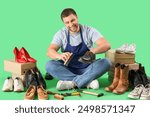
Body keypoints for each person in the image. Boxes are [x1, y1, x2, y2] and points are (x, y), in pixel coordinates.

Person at [45, 8, 112, 90]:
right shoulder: (61, 34)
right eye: (67, 22)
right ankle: (87, 82)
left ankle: (71, 83)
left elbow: (106, 45)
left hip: (88, 68)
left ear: (77, 17)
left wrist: (92, 51)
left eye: (72, 20)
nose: (71, 24)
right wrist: (59, 56)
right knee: (49, 65)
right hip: (68, 69)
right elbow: (49, 51)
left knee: (107, 62)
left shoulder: (89, 31)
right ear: (64, 23)